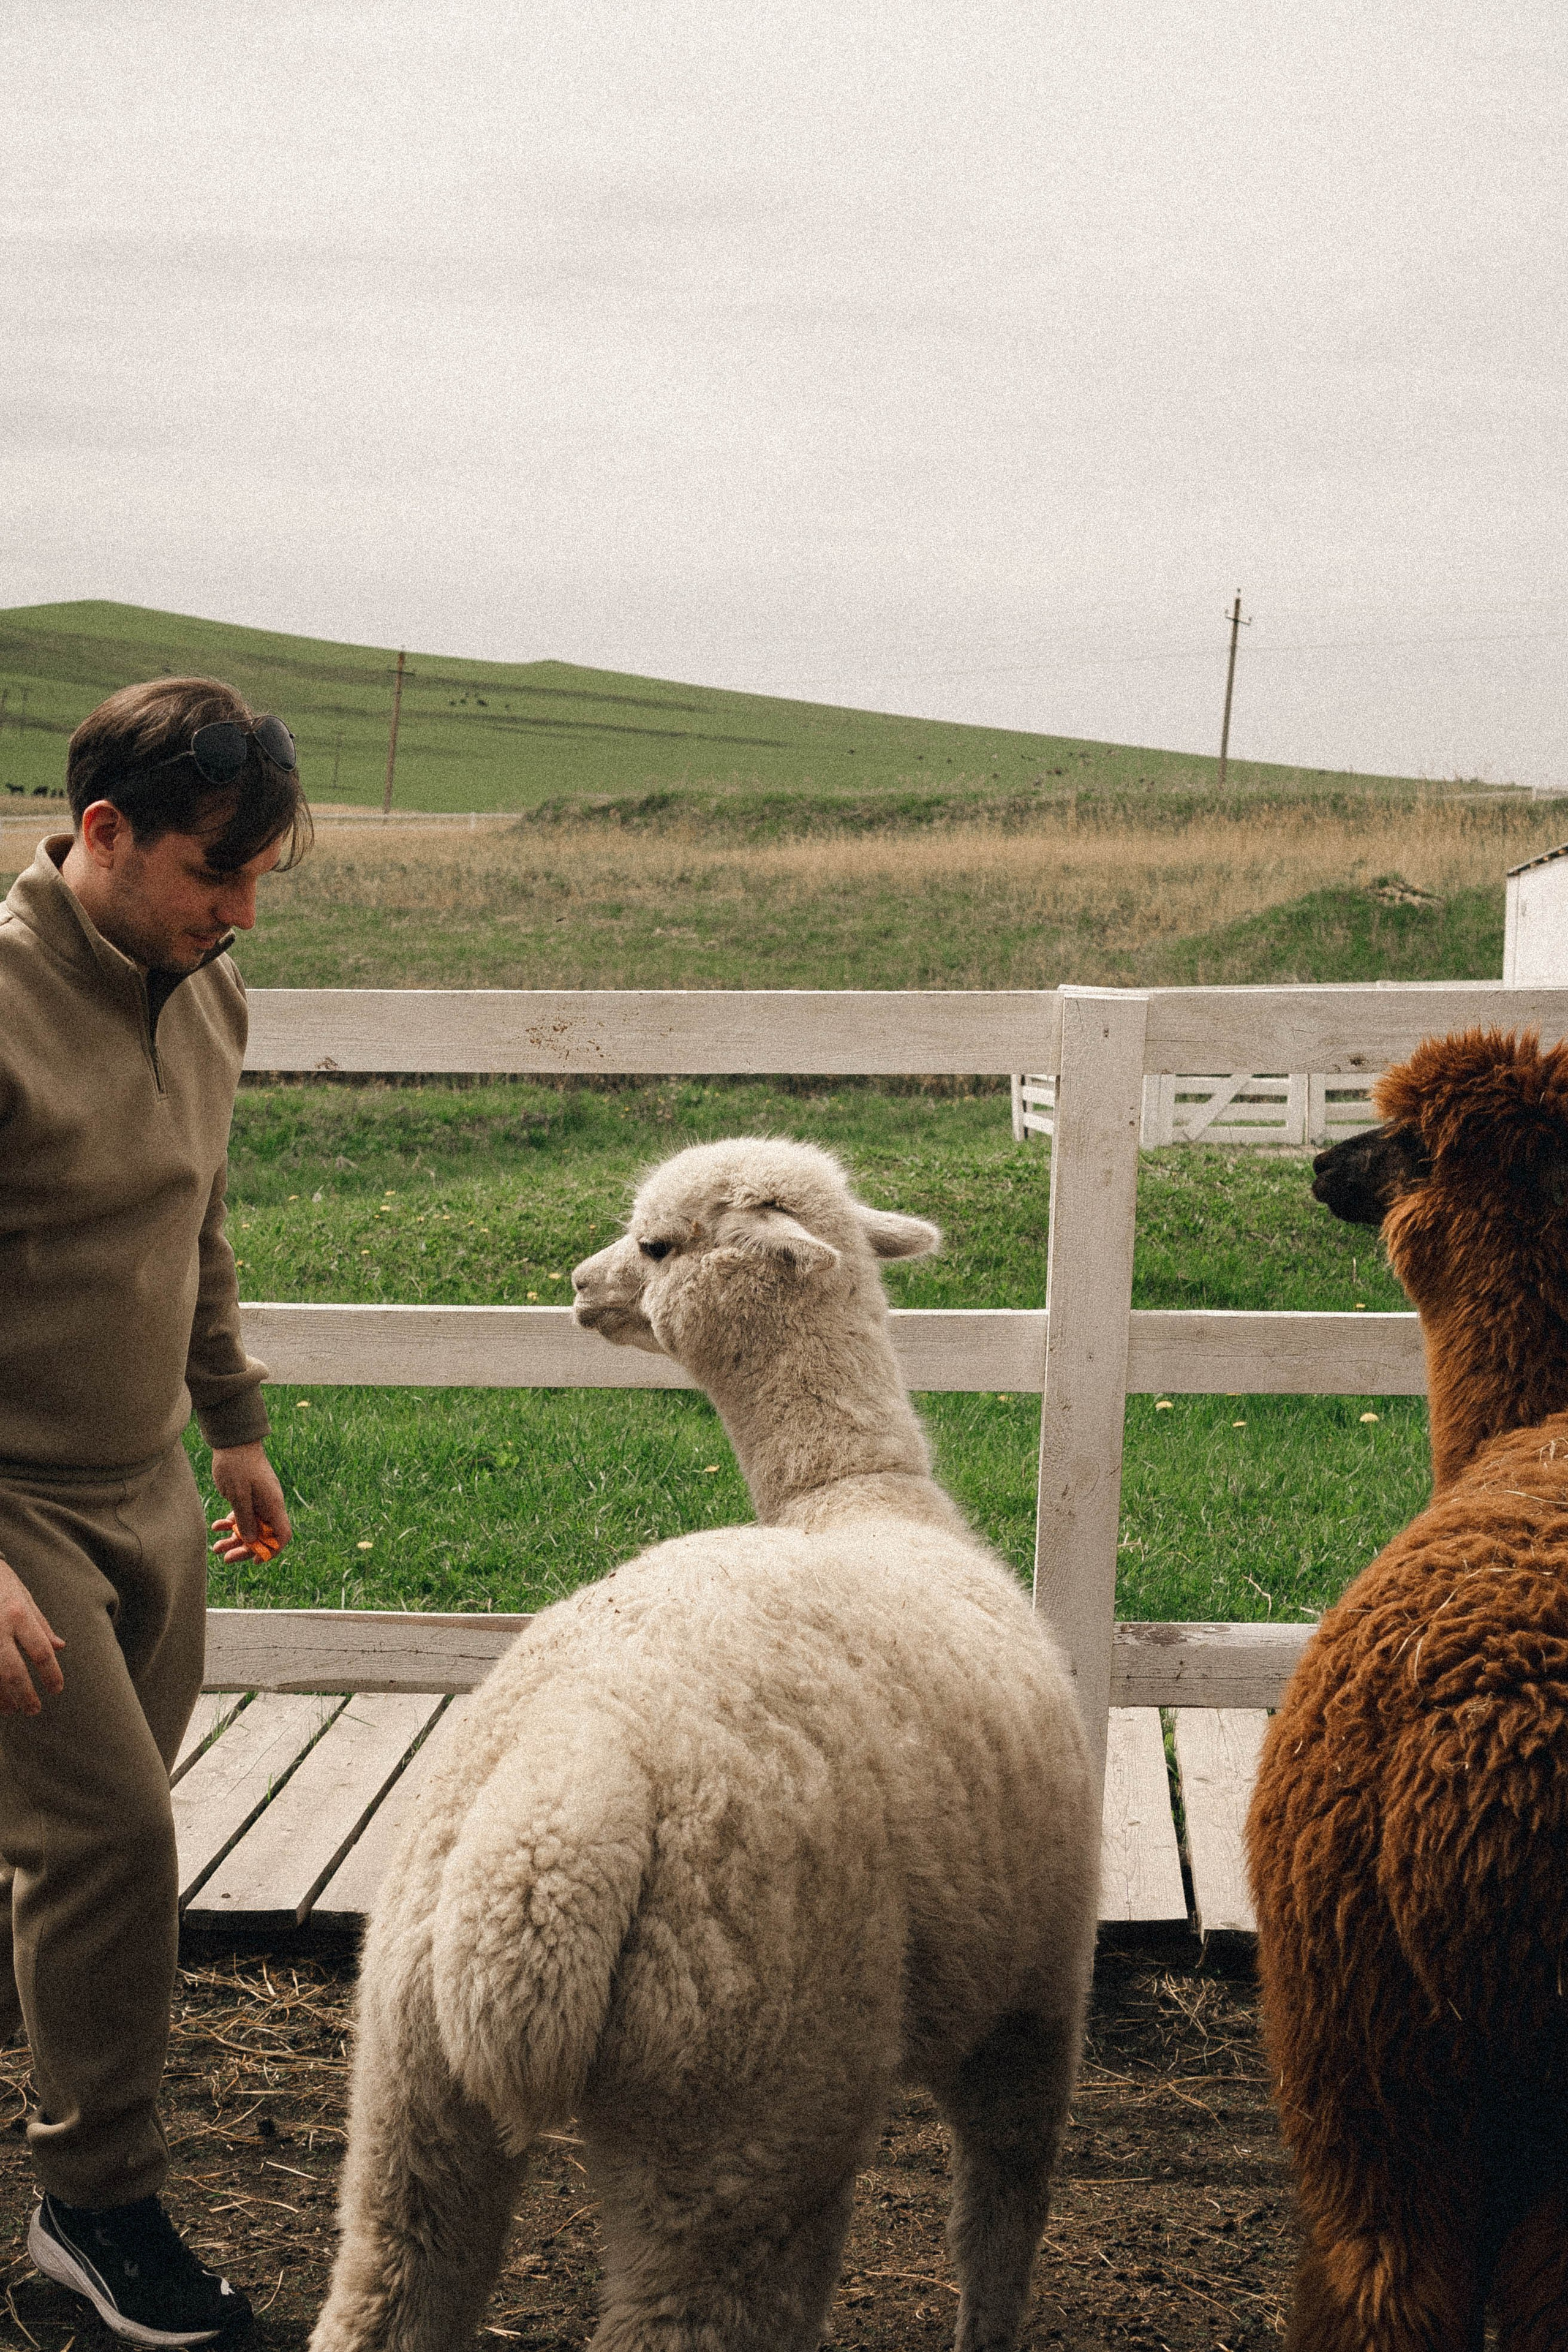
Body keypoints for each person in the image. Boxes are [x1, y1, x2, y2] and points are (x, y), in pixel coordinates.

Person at [0, 676, 311, 2343]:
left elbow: (197, 1217)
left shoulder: (205, 992)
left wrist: (233, 1423)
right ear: (103, 833)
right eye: (215, 870)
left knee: (68, 1857)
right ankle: (96, 2215)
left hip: (151, 1488)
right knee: (113, 1843)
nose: (241, 910)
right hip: (13, 1509)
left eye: (260, 875)